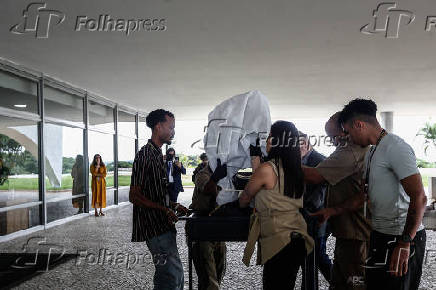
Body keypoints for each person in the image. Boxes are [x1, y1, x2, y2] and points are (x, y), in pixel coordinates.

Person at [315, 99, 427, 290]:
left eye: (348, 132)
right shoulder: (372, 152)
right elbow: (364, 196)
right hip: (379, 234)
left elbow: (420, 197)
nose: (347, 138)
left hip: (401, 236)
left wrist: (405, 242)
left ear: (359, 125)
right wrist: (333, 210)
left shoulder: (395, 147)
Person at [239, 121, 314, 289]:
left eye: (269, 136)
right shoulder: (297, 168)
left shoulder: (266, 169)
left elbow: (245, 198)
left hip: (278, 239)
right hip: (297, 236)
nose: (267, 140)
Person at [303, 112, 371, 290]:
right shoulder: (350, 150)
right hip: (347, 232)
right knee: (340, 282)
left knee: (356, 283)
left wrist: (282, 161)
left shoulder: (350, 152)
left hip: (357, 233)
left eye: (334, 137)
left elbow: (314, 176)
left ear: (346, 130)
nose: (333, 142)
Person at [129, 109, 189, 290]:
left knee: (169, 276)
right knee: (172, 275)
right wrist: (164, 210)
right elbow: (134, 195)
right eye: (171, 127)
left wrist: (173, 204)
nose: (173, 132)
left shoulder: (157, 154)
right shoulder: (145, 155)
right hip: (154, 227)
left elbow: (154, 193)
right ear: (158, 126)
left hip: (163, 224)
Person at [298, 132, 332, 289]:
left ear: (306, 144)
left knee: (318, 254)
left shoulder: (320, 160)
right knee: (308, 255)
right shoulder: (300, 159)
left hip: (317, 215)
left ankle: (338, 283)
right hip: (304, 216)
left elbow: (321, 192)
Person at [189, 156, 228, 290]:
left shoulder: (225, 174)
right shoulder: (203, 174)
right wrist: (217, 177)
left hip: (217, 229)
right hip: (202, 230)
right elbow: (208, 189)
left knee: (218, 272)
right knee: (208, 279)